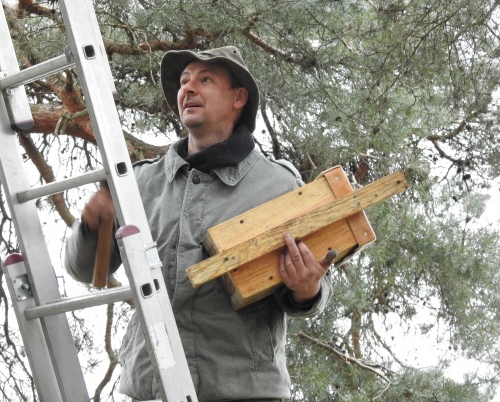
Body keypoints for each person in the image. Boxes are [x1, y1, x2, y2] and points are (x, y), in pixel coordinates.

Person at [65, 46, 336, 402]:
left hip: (242, 393)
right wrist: (91, 227)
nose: (188, 89)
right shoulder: (141, 183)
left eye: (205, 80)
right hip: (152, 390)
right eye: (184, 81)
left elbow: (315, 287)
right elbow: (90, 270)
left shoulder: (278, 186)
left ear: (239, 98)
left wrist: (306, 288)